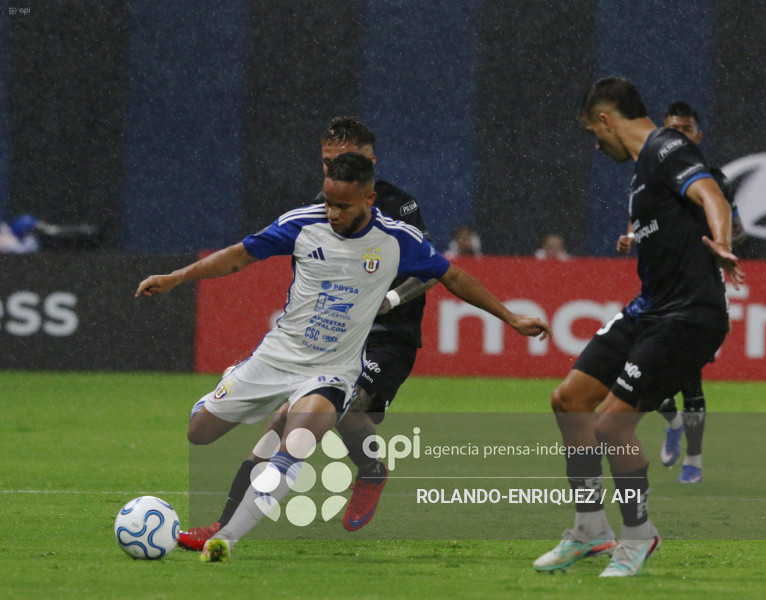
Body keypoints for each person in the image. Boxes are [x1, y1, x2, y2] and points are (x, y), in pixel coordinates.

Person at [137, 152, 552, 562]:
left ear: (369, 199)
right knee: (200, 432)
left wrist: (511, 318)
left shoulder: (396, 238)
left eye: (342, 206)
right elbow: (238, 256)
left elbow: (452, 276)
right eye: (328, 202)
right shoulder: (301, 223)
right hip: (277, 358)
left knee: (295, 440)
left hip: (332, 372)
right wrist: (177, 278)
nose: (332, 213)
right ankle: (233, 380)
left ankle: (226, 538)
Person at [176, 117, 441, 551]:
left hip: (388, 334)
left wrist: (388, 301)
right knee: (283, 421)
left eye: (340, 161)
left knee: (343, 407)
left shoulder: (399, 205)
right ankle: (222, 527)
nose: (330, 175)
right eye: (324, 163)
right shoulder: (321, 208)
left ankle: (370, 468)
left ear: (369, 161)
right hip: (330, 339)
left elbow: (433, 273)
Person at [533, 77, 744, 577]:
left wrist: (720, 240)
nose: (595, 142)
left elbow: (711, 193)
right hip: (650, 310)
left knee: (610, 424)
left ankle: (638, 533)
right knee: (569, 400)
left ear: (606, 119)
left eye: (593, 131)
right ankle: (589, 530)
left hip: (689, 315)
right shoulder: (643, 172)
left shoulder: (666, 146)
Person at [617, 100, 743, 485]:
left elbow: (731, 223)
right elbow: (645, 224)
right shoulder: (649, 173)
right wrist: (631, 238)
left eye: (685, 129)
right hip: (660, 294)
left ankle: (696, 457)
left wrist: (722, 241)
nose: (678, 135)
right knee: (649, 378)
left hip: (697, 294)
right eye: (671, 128)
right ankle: (672, 422)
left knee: (690, 379)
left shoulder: (711, 179)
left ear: (698, 135)